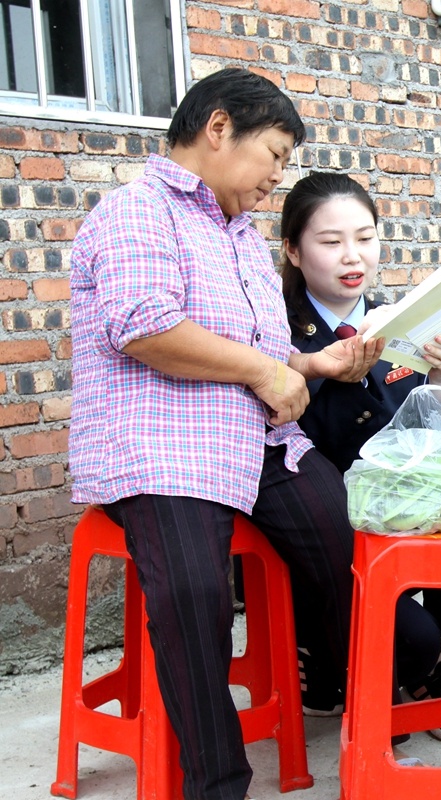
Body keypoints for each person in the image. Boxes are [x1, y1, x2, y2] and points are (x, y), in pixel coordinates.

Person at [69, 69, 381, 800]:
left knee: (350, 541)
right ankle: (217, 782)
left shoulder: (238, 236)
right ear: (218, 129)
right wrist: (271, 375)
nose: (277, 176)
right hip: (164, 448)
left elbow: (258, 358)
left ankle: (339, 689)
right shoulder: (135, 211)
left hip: (261, 443)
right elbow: (145, 328)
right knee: (194, 593)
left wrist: (307, 364)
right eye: (273, 155)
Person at [278, 171, 441, 741]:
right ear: (293, 249)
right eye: (331, 242)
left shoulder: (398, 320)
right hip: (326, 525)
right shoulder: (276, 328)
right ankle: (370, 674)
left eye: (365, 238)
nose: (351, 256)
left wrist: (440, 370)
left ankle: (424, 679)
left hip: (402, 511)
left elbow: (427, 429)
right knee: (409, 641)